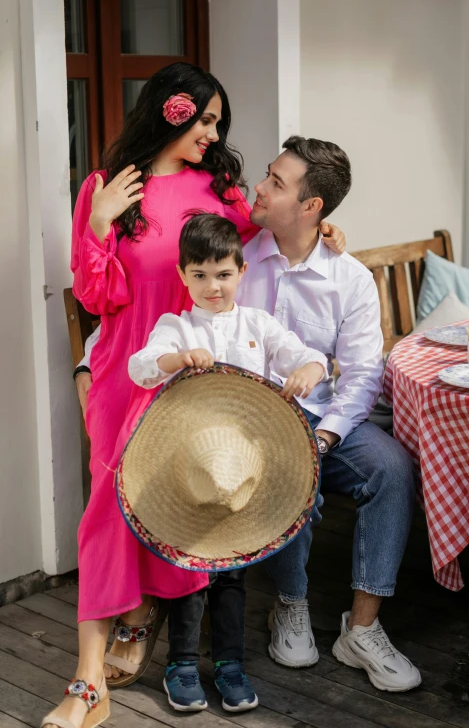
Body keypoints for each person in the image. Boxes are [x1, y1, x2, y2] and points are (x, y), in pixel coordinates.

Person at [47, 63, 345, 728]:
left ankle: (149, 616)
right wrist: (97, 223)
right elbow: (96, 296)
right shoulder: (104, 187)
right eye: (204, 119)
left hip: (192, 378)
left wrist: (322, 234)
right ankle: (88, 679)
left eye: (217, 122)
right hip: (133, 367)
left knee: (180, 496)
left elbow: (271, 230)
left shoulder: (220, 191)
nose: (212, 134)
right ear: (169, 111)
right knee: (105, 510)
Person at [236, 136, 421, 692]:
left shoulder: (351, 279)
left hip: (329, 423)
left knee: (391, 468)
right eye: (267, 176)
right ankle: (289, 605)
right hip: (253, 425)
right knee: (299, 479)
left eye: (276, 182)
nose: (260, 188)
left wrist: (327, 436)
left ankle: (360, 629)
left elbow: (364, 375)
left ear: (312, 207)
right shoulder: (238, 259)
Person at [125, 212, 327, 713]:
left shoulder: (257, 323)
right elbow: (141, 366)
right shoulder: (177, 326)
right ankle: (183, 663)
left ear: (241, 271)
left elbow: (308, 356)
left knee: (233, 574)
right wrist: (175, 358)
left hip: (241, 471)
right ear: (183, 276)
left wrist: (307, 369)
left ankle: (231, 663)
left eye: (223, 274)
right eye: (200, 275)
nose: (212, 286)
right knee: (191, 572)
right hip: (192, 471)